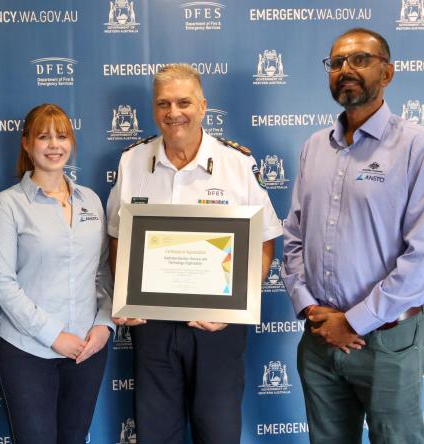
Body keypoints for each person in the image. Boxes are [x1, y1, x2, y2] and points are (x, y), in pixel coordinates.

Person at [107, 64, 282, 444]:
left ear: (203, 106)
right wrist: (125, 294)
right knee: (155, 435)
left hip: (217, 329)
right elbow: (118, 236)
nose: (174, 113)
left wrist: (235, 304)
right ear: (153, 110)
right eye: (164, 104)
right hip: (151, 328)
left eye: (184, 102)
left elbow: (265, 240)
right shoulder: (132, 162)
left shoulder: (236, 163)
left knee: (218, 434)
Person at [282, 28, 424, 443]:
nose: (346, 69)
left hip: (387, 342)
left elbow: (420, 259)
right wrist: (310, 310)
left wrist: (354, 321)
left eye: (360, 59)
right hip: (319, 340)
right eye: (337, 62)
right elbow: (293, 237)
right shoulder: (314, 147)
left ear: (388, 72)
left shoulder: (415, 147)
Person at [0, 104, 114, 444]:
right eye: (43, 137)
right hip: (29, 351)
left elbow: (104, 271)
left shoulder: (91, 203)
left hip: (87, 350)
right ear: (27, 144)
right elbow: (0, 282)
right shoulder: (8, 205)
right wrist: (54, 335)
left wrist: (104, 324)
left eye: (62, 136)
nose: (54, 145)